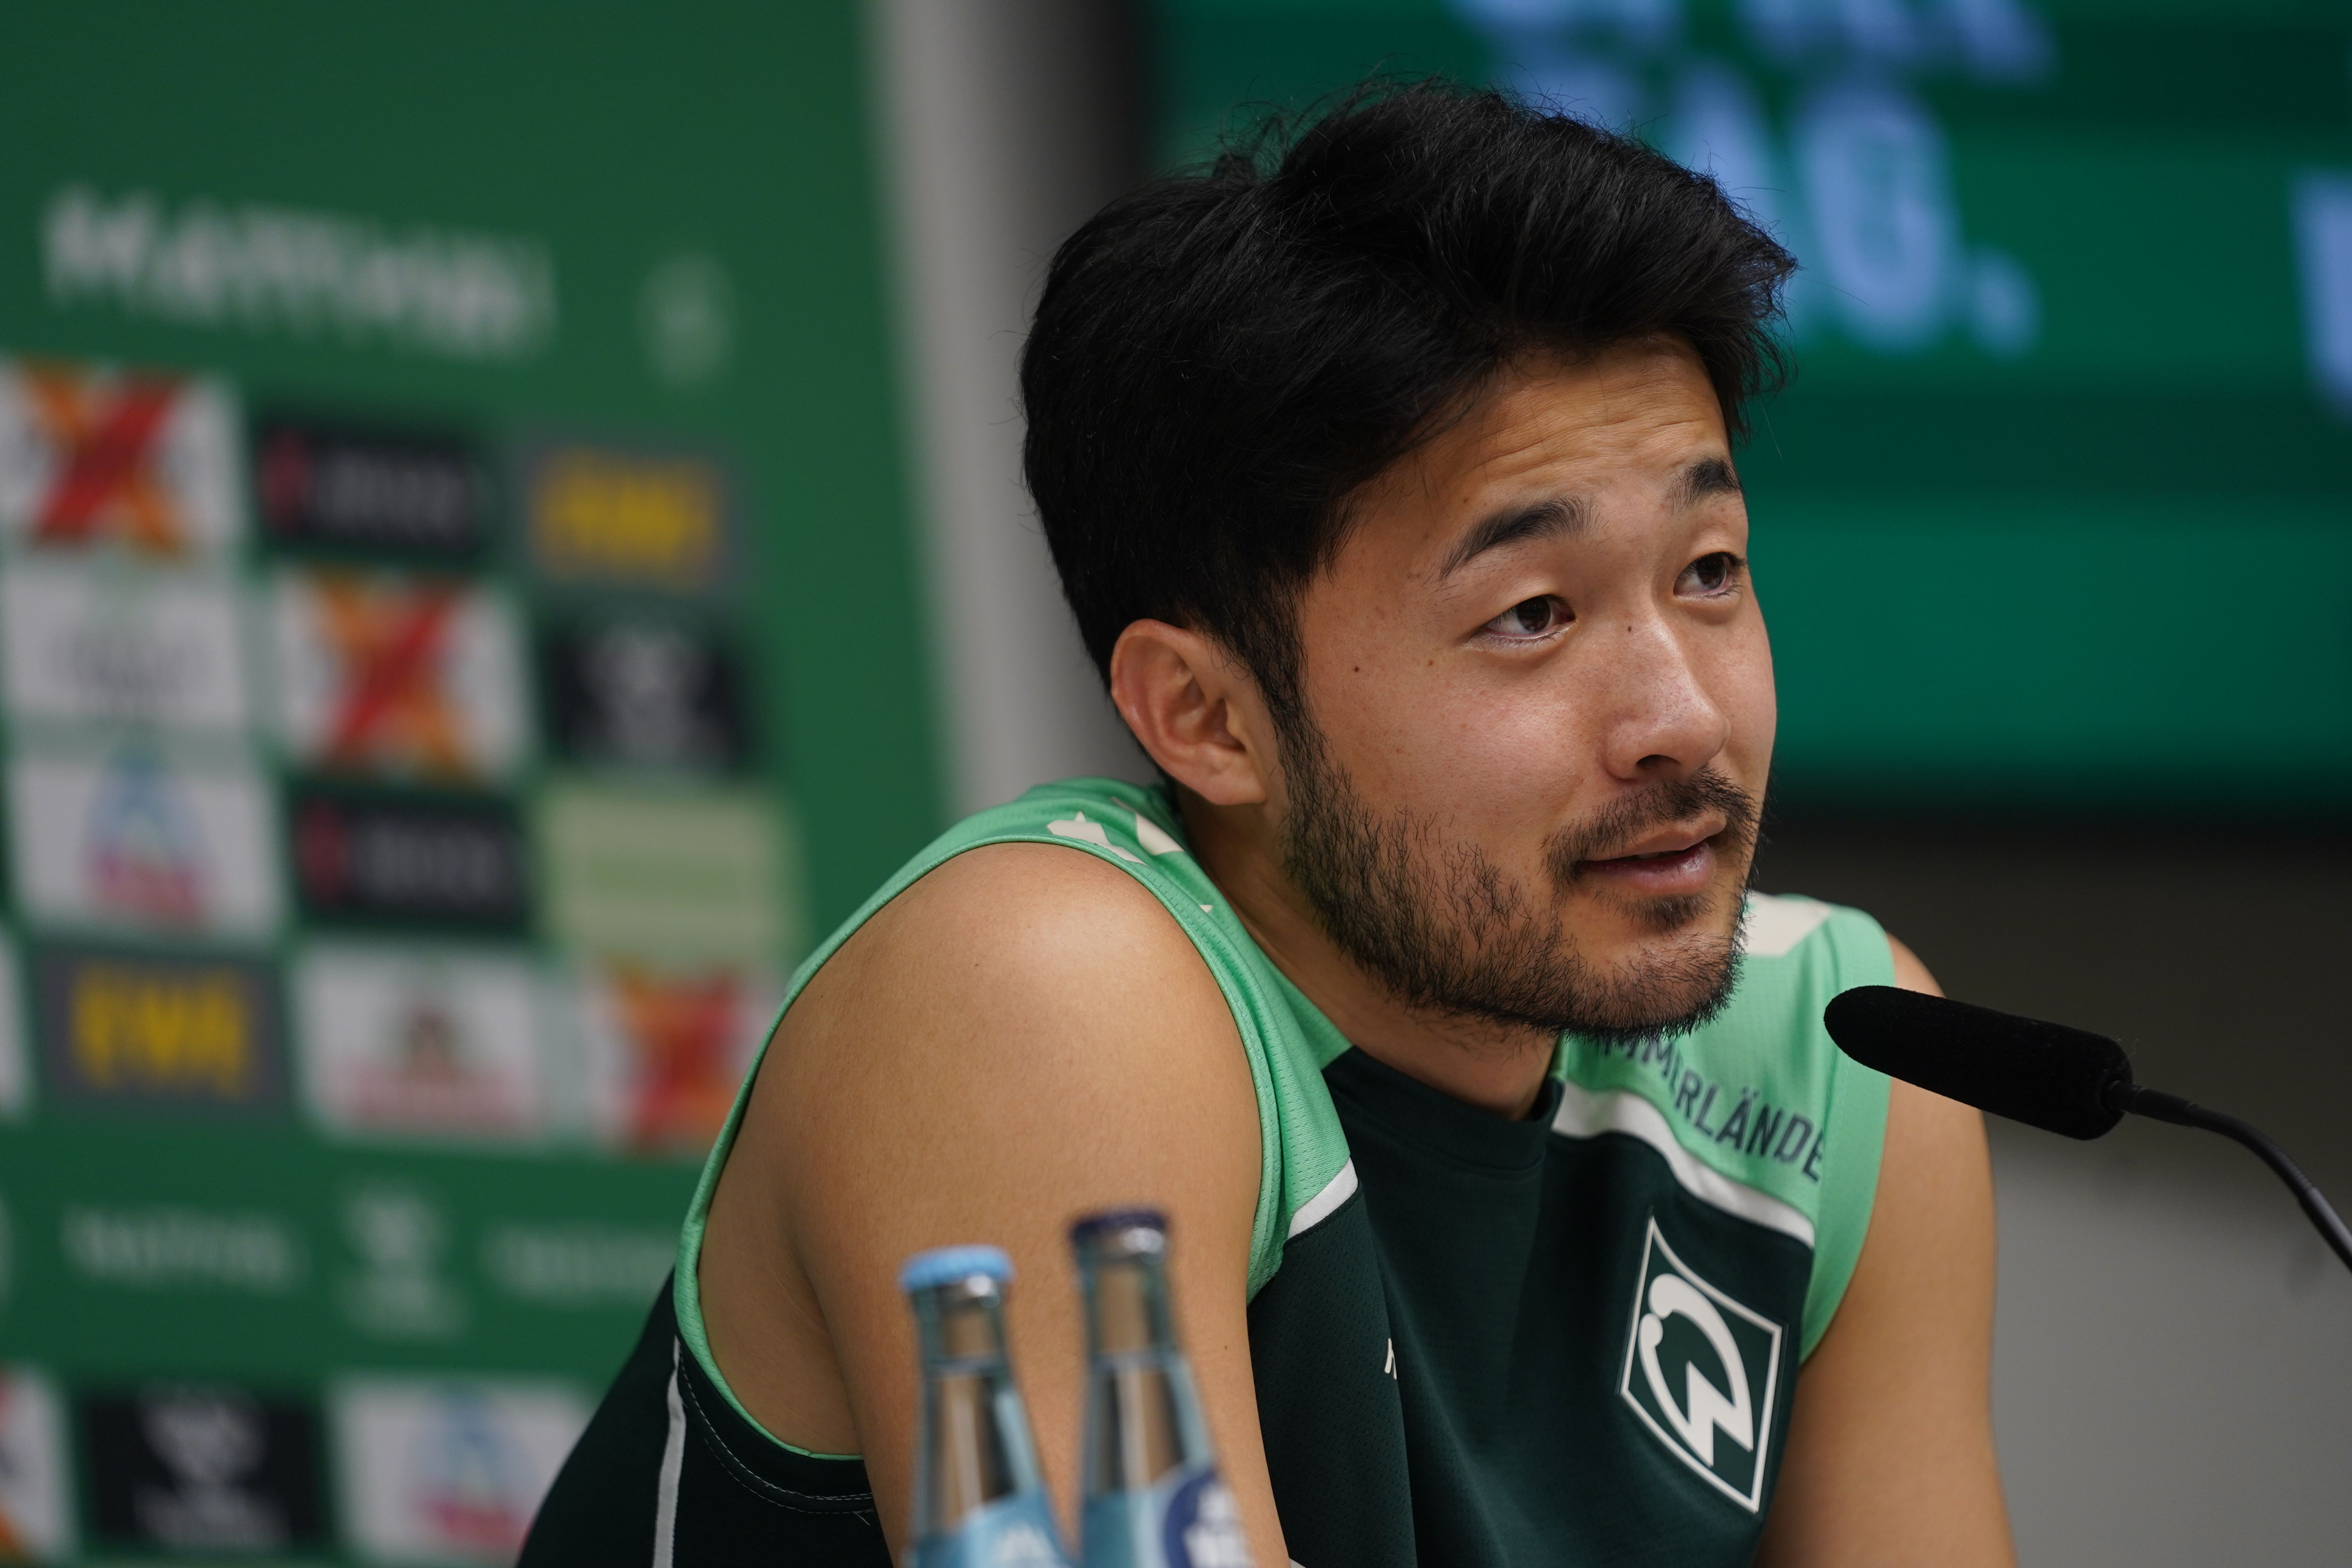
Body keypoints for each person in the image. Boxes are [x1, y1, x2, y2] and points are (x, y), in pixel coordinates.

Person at [523, 82, 2012, 1568]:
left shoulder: (1838, 1057)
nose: (1680, 716)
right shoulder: (1043, 987)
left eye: (1708, 571)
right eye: (1533, 614)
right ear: (1207, 718)